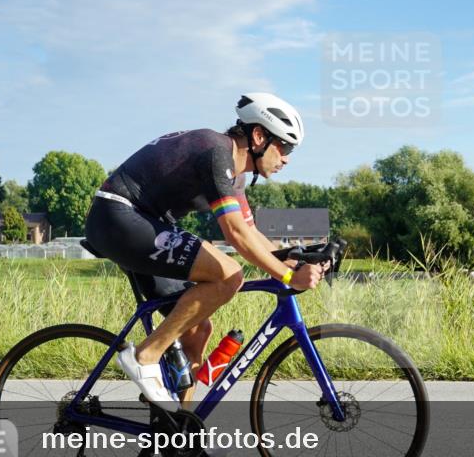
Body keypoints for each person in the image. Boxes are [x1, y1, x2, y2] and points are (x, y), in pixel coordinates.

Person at [83, 93, 325, 410]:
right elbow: (236, 234)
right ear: (258, 136)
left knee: (197, 327)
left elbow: (253, 233)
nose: (287, 158)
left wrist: (300, 257)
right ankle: (146, 355)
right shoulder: (216, 153)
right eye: (285, 147)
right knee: (229, 275)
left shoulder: (234, 175)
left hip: (144, 223)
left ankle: (181, 426)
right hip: (118, 216)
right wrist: (290, 276)